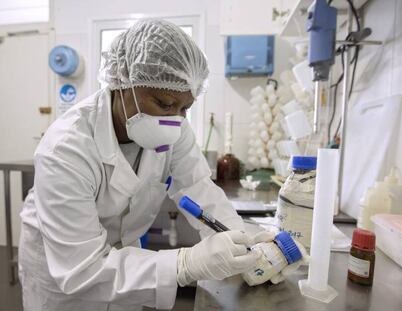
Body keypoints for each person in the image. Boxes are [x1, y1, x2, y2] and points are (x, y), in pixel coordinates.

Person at [18, 19, 273, 311]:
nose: (175, 118)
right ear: (123, 82)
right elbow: (82, 268)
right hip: (65, 276)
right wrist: (186, 263)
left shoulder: (174, 126)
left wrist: (242, 242)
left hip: (126, 263)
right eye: (164, 104)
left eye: (185, 108)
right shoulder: (66, 148)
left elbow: (197, 186)